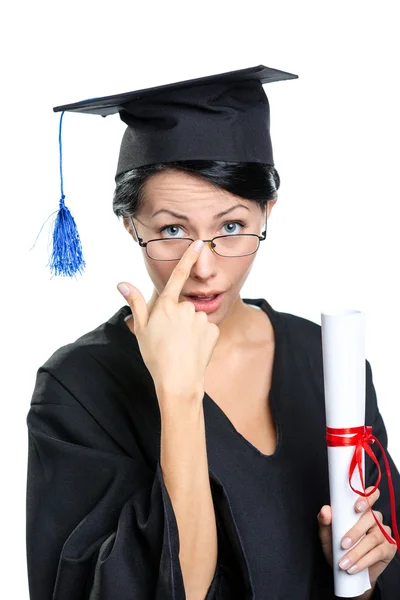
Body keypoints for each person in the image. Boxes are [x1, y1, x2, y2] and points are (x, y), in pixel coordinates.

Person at [26, 65, 400, 599]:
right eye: (172, 230)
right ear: (131, 225)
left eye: (231, 227)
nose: (204, 268)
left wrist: (362, 579)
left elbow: (375, 570)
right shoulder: (78, 388)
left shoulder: (326, 360)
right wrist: (178, 398)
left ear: (267, 211)